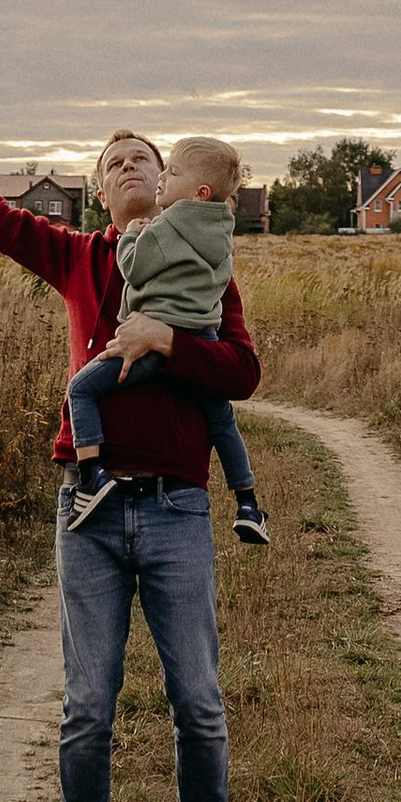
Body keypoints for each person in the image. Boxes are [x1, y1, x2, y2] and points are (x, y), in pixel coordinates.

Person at [0, 75, 258, 802]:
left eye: (143, 155)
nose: (131, 166)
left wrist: (166, 342)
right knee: (88, 709)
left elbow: (242, 377)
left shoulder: (202, 259)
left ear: (171, 180)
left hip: (179, 507)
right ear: (100, 193)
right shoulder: (79, 260)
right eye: (114, 162)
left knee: (200, 706)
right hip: (90, 513)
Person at [63, 134, 269, 544]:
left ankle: (90, 474)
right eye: (115, 163)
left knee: (80, 389)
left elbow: (135, 270)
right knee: (222, 420)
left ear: (196, 191)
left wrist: (132, 237)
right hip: (207, 334)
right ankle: (247, 502)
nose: (159, 178)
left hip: (156, 353)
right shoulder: (220, 227)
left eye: (168, 170)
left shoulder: (169, 225)